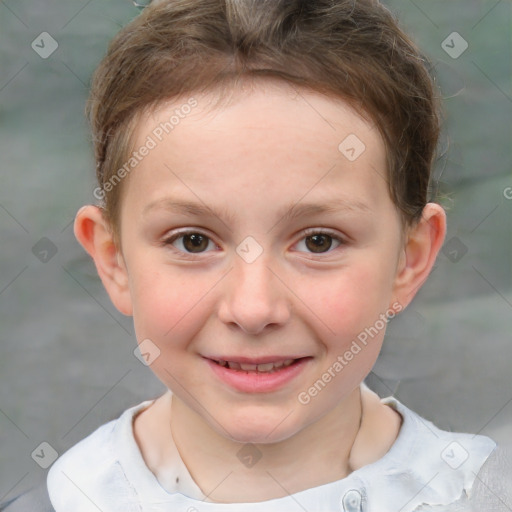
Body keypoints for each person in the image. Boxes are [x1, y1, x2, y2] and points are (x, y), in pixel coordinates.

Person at [4, 0, 510, 510]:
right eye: (193, 241)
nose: (252, 309)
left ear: (410, 258)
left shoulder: (481, 496)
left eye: (318, 241)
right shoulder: (61, 500)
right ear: (114, 259)